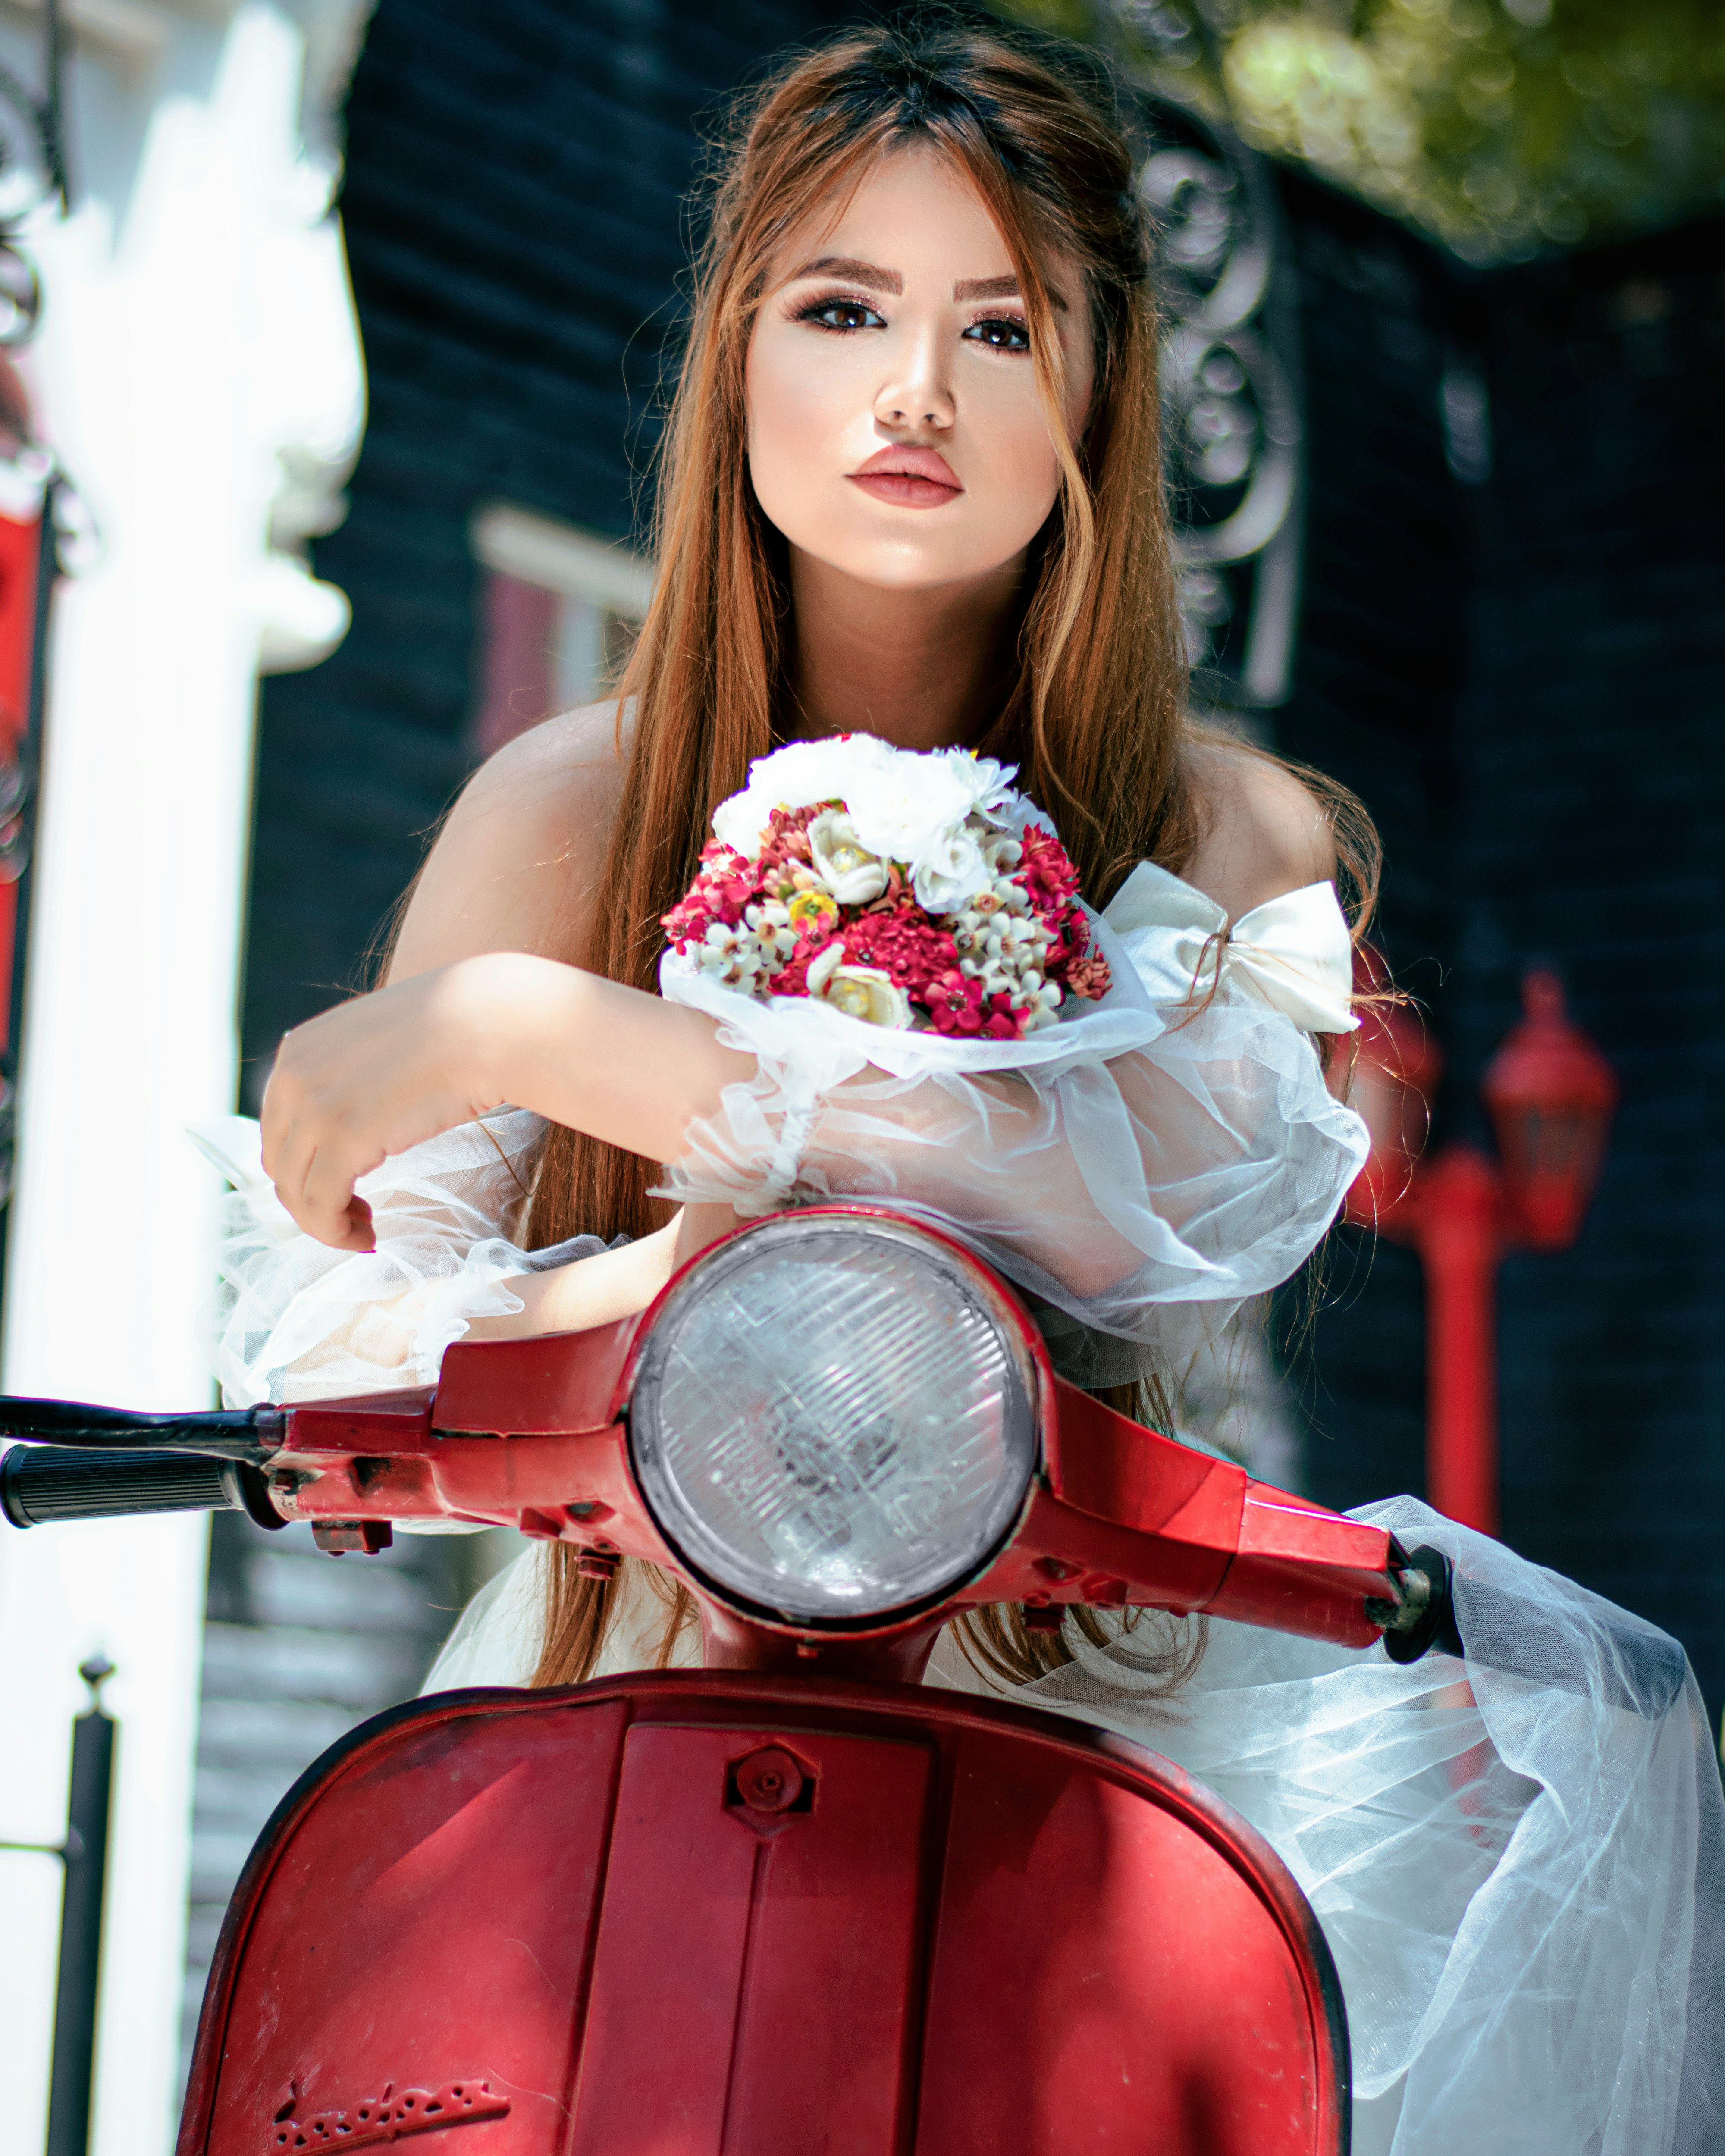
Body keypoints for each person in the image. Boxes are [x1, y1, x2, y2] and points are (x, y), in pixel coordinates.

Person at [199, 18, 1723, 2155]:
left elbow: (1096, 1208)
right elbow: (355, 1318)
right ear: (737, 360)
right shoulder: (569, 801)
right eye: (841, 308)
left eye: (996, 326)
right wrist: (669, 1295)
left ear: (1093, 389)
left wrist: (524, 1033)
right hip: (622, 1703)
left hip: (1109, 1762)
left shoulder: (1232, 832)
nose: (914, 388)